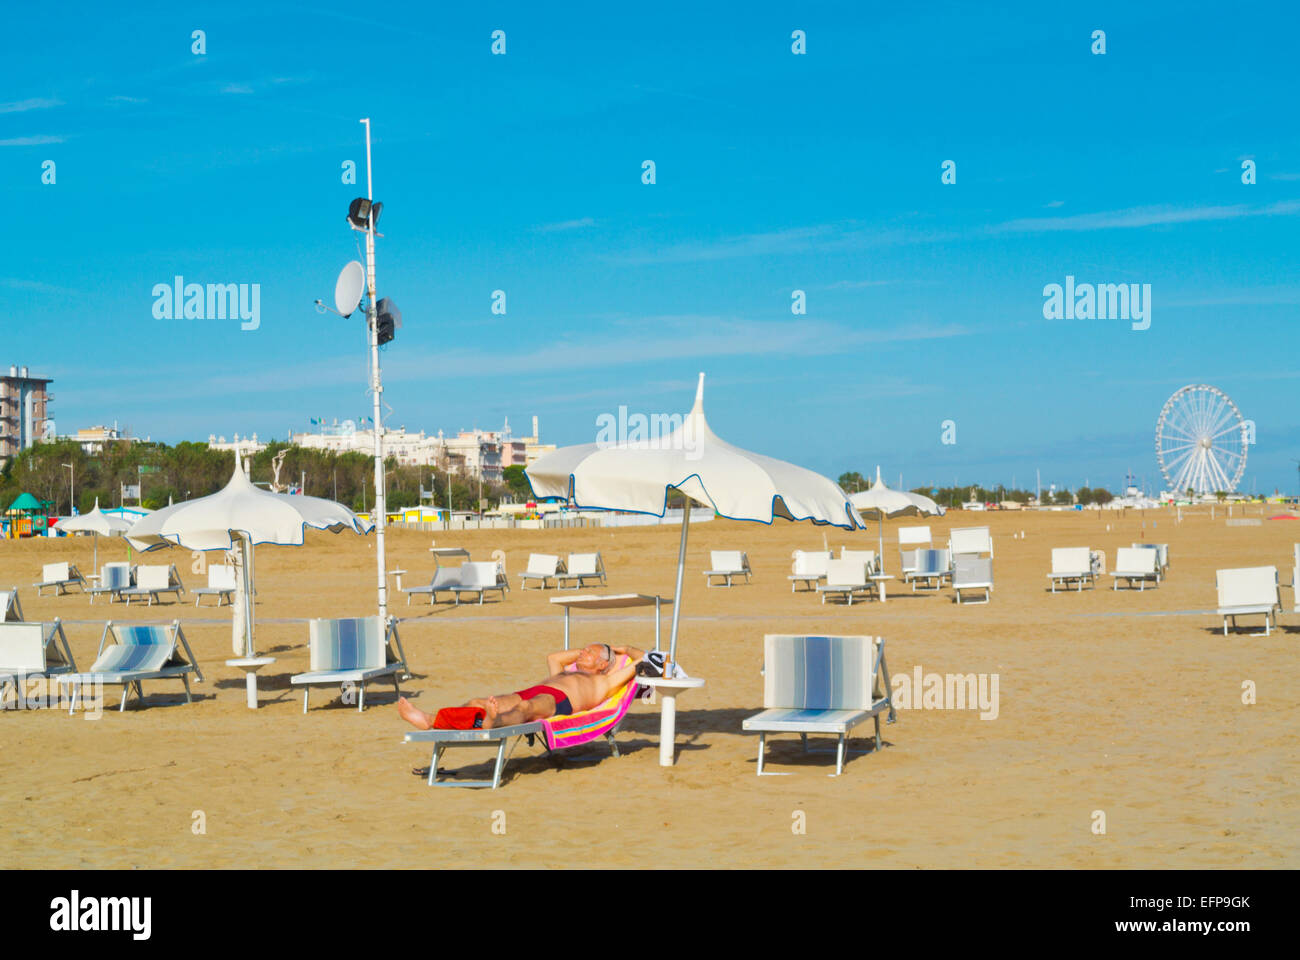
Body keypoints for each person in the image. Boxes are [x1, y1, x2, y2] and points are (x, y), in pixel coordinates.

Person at [397, 642, 645, 730]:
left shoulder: (604, 681)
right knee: (478, 702)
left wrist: (622, 649)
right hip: (535, 689)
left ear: (603, 663)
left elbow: (643, 658)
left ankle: (495, 722)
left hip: (561, 701)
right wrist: (585, 652)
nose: (581, 654)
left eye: (589, 653)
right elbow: (553, 658)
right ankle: (430, 720)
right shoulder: (565, 670)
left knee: (527, 708)